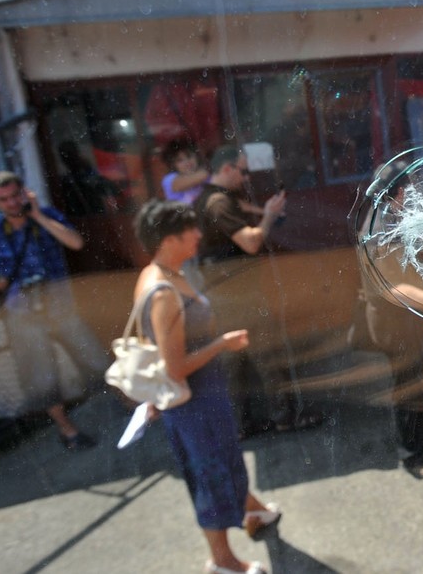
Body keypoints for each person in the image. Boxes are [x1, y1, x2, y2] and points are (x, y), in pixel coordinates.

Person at [132, 200, 280, 574]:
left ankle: (253, 512)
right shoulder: (163, 291)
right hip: (193, 404)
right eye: (191, 230)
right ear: (169, 239)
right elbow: (176, 367)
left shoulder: (164, 272)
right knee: (211, 476)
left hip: (204, 396)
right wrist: (222, 345)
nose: (199, 234)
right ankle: (223, 561)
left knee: (224, 460)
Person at [0, 171, 109, 450]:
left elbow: (75, 242)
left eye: (15, 196)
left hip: (61, 307)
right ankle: (68, 431)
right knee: (40, 377)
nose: (12, 203)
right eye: (4, 199)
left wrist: (37, 216)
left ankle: (132, 404)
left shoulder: (45, 216)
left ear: (25, 193)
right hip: (23, 315)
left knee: (95, 358)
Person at [192, 144, 318, 436]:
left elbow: (242, 210)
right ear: (226, 169)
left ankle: (241, 424)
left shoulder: (213, 198)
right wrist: (271, 215)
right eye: (243, 171)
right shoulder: (217, 204)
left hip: (224, 292)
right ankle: (287, 416)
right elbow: (250, 241)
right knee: (267, 354)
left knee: (235, 361)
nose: (246, 178)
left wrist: (266, 209)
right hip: (238, 294)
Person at [362, 160, 423, 480]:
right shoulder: (379, 229)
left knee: (418, 380)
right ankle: (414, 455)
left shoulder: (389, 215)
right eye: (407, 188)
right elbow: (395, 288)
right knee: (408, 386)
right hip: (394, 322)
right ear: (397, 191)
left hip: (407, 318)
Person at [161, 138, 209, 205]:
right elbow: (177, 185)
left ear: (196, 156)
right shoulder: (169, 179)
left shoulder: (205, 174)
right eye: (180, 160)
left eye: (189, 156)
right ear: (173, 165)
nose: (187, 162)